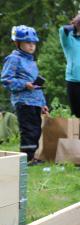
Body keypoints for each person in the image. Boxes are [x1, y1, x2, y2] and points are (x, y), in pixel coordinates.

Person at [1, 25, 48, 162]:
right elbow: (6, 80)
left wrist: (43, 104)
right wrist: (24, 85)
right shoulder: (13, 59)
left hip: (35, 101)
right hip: (23, 101)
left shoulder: (31, 60)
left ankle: (32, 156)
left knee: (36, 131)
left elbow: (36, 85)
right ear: (17, 43)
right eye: (28, 42)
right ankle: (26, 158)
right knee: (29, 131)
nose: (32, 46)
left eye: (33, 43)